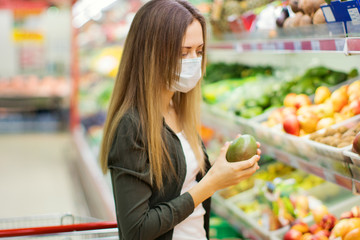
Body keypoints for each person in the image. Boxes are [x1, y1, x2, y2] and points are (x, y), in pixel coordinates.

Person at [100, 0, 261, 239]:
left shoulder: (177, 107)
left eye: (199, 51)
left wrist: (221, 169)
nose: (194, 60)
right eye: (183, 52)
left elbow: (180, 187)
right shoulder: (131, 125)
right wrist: (211, 184)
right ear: (151, 54)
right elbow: (136, 230)